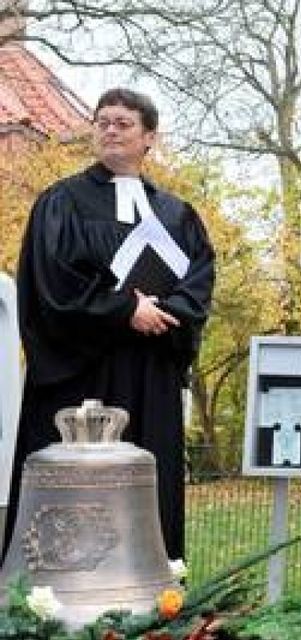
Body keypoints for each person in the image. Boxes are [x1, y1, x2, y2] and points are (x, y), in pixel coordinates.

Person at [2, 88, 215, 562]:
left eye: (123, 123)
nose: (110, 130)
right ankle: (54, 593)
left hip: (149, 371)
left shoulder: (176, 214)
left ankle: (152, 591)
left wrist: (165, 313)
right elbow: (50, 280)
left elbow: (199, 276)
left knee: (147, 485)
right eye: (102, 122)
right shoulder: (62, 202)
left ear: (149, 138)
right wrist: (123, 310)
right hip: (80, 372)